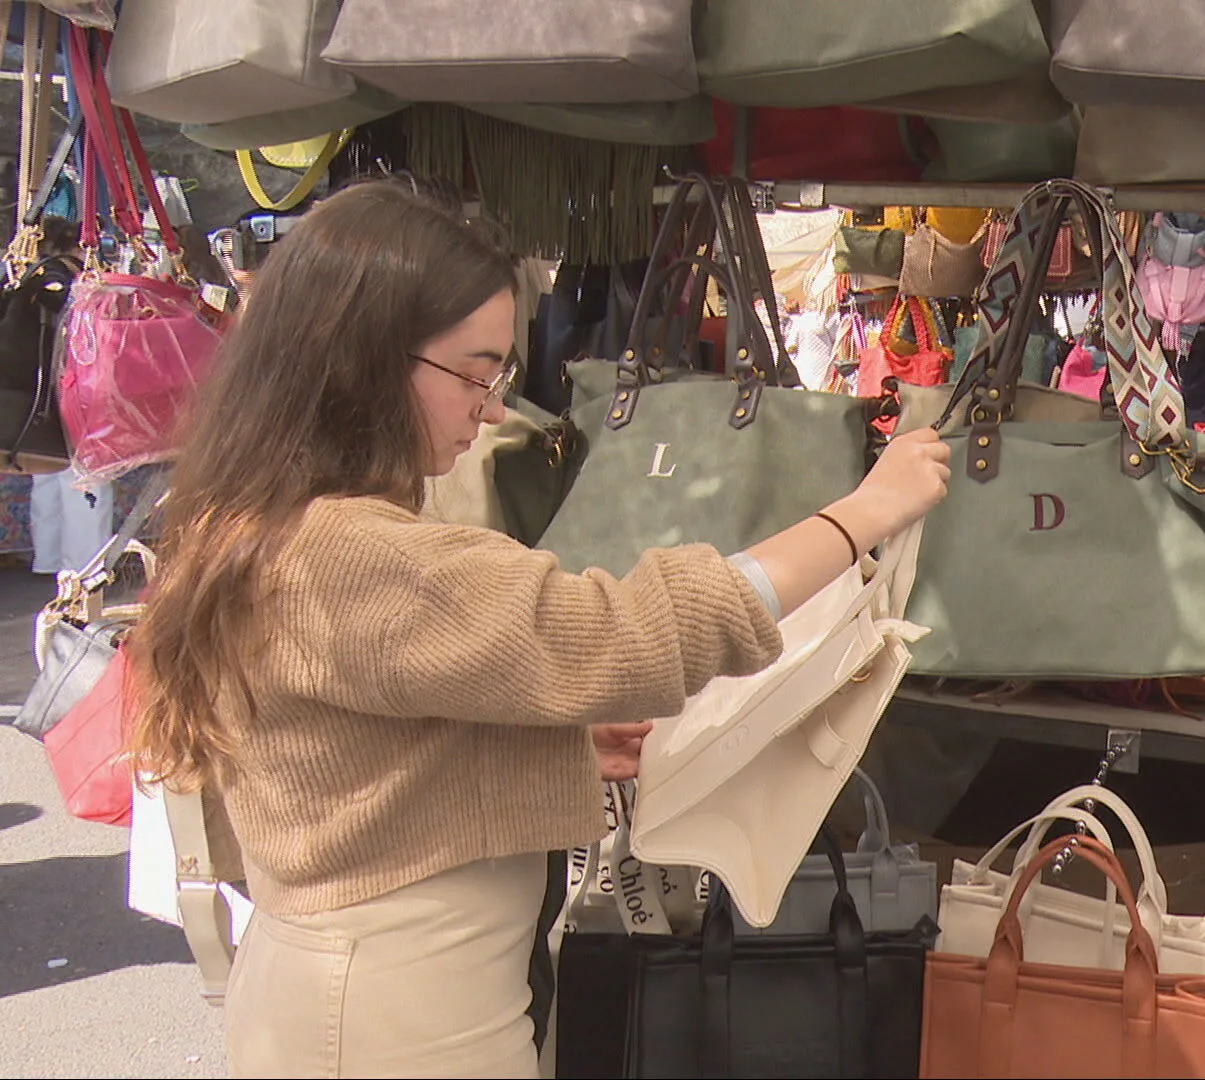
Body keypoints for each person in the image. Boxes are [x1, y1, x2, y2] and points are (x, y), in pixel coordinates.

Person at [125, 180, 951, 1078]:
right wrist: (861, 515)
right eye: (474, 372)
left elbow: (360, 767)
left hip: (363, 988)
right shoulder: (348, 551)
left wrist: (550, 746)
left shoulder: (275, 518)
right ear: (362, 357)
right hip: (392, 1011)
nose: (488, 407)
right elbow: (628, 632)